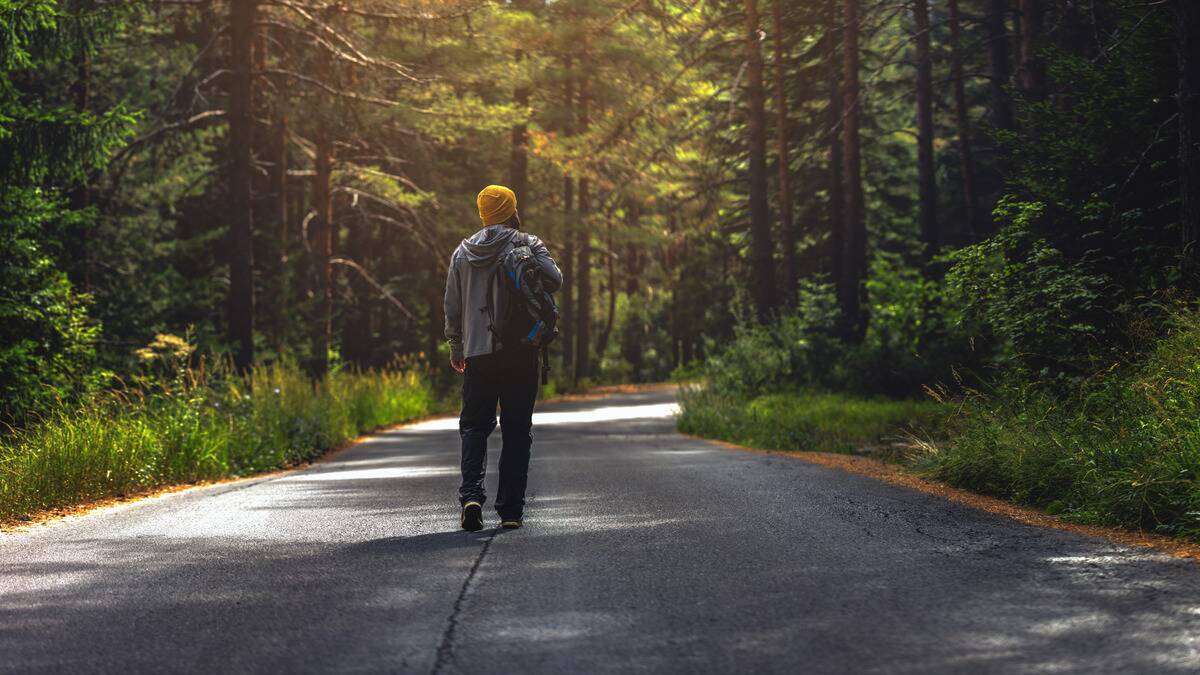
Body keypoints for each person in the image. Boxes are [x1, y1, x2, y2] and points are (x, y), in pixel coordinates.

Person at [444, 185, 562, 532]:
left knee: (474, 427)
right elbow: (555, 280)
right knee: (516, 429)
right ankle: (511, 510)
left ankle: (471, 498)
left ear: (482, 213)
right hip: (520, 350)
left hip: (478, 353)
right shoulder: (527, 242)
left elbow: (452, 305)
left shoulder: (462, 253)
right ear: (512, 208)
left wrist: (456, 345)